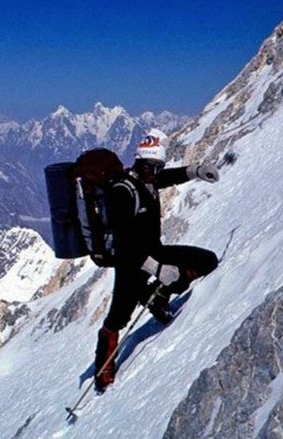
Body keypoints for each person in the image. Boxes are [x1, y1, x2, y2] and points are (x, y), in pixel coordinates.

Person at [90, 128, 220, 392]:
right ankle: (102, 377)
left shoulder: (148, 180)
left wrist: (195, 170)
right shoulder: (122, 191)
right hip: (130, 264)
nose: (156, 172)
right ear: (140, 163)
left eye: (158, 167)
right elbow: (124, 245)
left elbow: (169, 178)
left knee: (205, 261)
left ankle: (156, 296)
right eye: (152, 167)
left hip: (154, 253)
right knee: (117, 319)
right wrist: (158, 269)